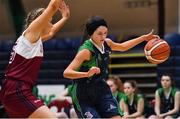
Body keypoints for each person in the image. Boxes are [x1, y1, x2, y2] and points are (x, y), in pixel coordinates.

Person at [63, 15, 158, 118]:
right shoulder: (85, 51)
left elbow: (123, 47)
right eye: (99, 34)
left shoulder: (107, 43)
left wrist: (143, 38)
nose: (103, 37)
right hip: (83, 93)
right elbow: (67, 72)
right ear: (91, 34)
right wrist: (86, 74)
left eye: (105, 33)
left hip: (101, 88)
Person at [0, 0, 70, 118]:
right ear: (40, 22)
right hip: (17, 90)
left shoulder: (33, 39)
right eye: (49, 21)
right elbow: (53, 6)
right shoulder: (31, 32)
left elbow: (51, 32)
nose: (51, 24)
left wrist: (65, 17)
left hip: (13, 90)